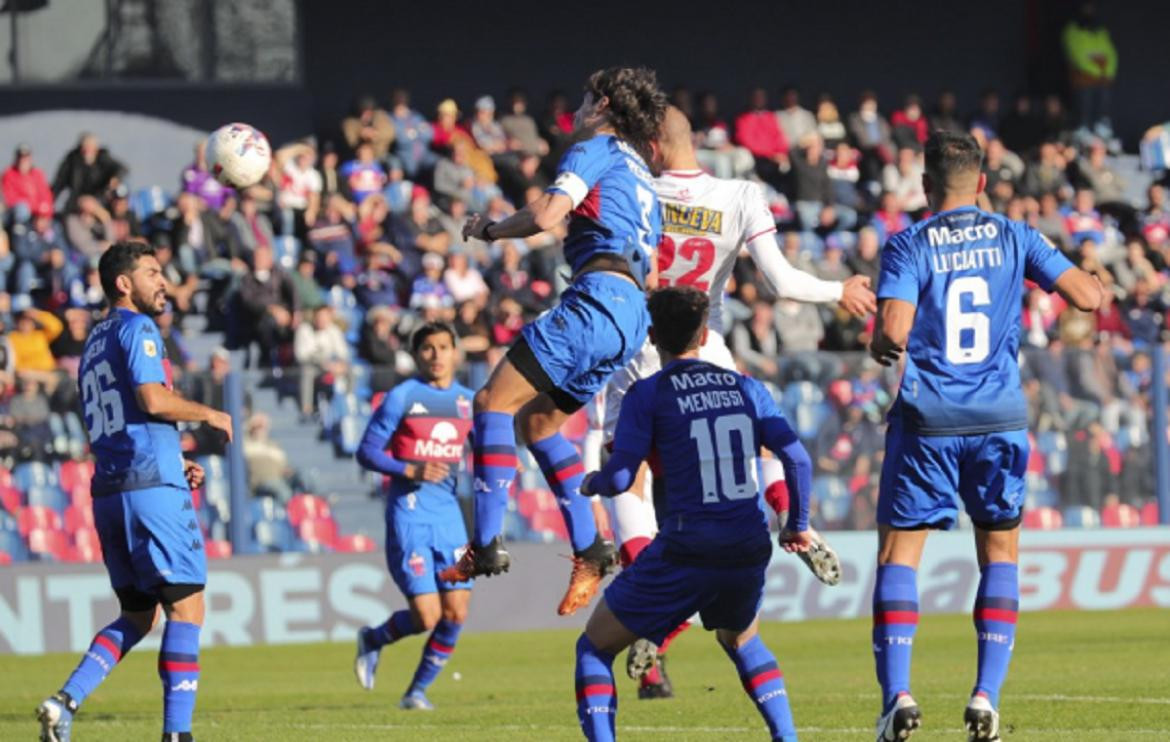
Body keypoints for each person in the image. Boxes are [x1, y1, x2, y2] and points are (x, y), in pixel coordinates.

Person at [588, 106, 872, 696]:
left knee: (635, 477)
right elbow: (785, 284)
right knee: (750, 441)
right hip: (708, 347)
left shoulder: (628, 188)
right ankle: (794, 522)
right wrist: (838, 290)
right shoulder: (740, 193)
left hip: (635, 347)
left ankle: (652, 611)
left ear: (652, 146)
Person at [867, 131, 1102, 741]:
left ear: (925, 187)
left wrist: (877, 340)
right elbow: (1086, 296)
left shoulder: (909, 243)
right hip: (999, 417)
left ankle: (898, 698)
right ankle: (985, 699)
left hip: (929, 421)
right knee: (999, 554)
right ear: (983, 185)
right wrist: (1090, 270)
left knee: (899, 557)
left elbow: (893, 330)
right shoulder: (1014, 236)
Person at [440, 67, 667, 617]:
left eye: (586, 98)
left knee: (493, 403)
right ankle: (592, 548)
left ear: (603, 103)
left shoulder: (597, 149)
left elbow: (545, 215)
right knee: (539, 423)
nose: (579, 109)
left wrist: (490, 229)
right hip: (632, 316)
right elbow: (655, 271)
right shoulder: (644, 179)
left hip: (597, 300)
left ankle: (487, 541)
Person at [575, 286, 815, 742]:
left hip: (687, 545)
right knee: (741, 639)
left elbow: (623, 476)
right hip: (747, 543)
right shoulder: (747, 387)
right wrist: (796, 524)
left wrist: (594, 483)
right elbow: (798, 459)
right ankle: (787, 737)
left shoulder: (647, 393)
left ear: (651, 335)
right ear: (704, 335)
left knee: (594, 647)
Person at [36, 240, 234, 742]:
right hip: (151, 490)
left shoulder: (94, 344)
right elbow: (151, 398)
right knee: (187, 608)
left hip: (111, 490)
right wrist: (208, 412)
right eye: (151, 272)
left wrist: (175, 456)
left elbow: (121, 418)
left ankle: (65, 702)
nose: (162, 281)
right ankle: (177, 734)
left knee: (138, 615)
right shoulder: (138, 328)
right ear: (124, 284)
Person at [353, 322, 475, 711]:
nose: (436, 355)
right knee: (426, 615)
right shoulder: (402, 397)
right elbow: (366, 452)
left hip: (450, 519)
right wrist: (411, 469)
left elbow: (487, 449)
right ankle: (373, 639)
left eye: (443, 347)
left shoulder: (469, 402)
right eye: (427, 348)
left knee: (456, 613)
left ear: (456, 352)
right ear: (416, 354)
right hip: (409, 515)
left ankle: (416, 693)